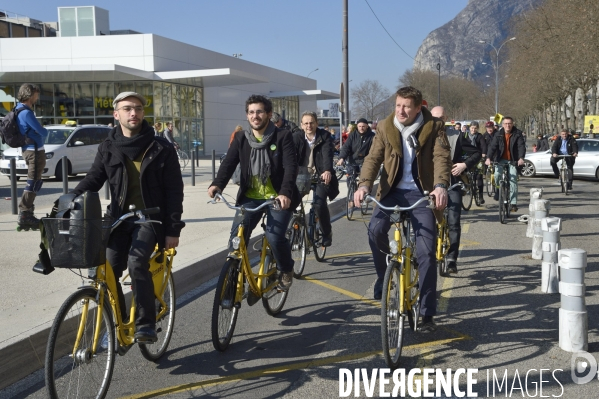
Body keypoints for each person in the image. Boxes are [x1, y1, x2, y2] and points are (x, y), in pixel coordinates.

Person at [72, 91, 185, 342]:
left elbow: (174, 191)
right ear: (116, 114)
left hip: (150, 219)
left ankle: (145, 324)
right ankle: (120, 323)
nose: (133, 113)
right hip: (118, 219)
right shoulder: (108, 147)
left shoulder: (161, 148)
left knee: (136, 262)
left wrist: (173, 229)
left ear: (143, 113)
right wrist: (71, 198)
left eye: (137, 108)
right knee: (108, 267)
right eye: (127, 108)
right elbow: (94, 178)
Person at [354, 86, 452, 332]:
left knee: (427, 253)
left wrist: (440, 186)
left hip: (422, 193)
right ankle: (383, 277)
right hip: (391, 191)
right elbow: (373, 158)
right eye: (398, 105)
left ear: (420, 107)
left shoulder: (434, 126)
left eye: (407, 106)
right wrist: (364, 185)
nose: (401, 111)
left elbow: (441, 158)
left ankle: (427, 313)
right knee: (375, 231)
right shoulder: (386, 126)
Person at [209, 95, 301, 291]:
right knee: (236, 240)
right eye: (251, 112)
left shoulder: (282, 137)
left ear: (268, 114)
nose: (255, 116)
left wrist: (285, 193)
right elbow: (229, 163)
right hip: (250, 198)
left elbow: (290, 167)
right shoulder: (241, 138)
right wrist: (217, 184)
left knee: (275, 237)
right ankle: (235, 278)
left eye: (259, 112)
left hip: (277, 197)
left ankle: (286, 269)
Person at [431, 106, 481, 275]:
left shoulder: (457, 135)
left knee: (453, 220)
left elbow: (476, 153)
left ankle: (452, 258)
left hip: (452, 182)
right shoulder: (422, 135)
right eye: (435, 117)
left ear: (446, 118)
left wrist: (464, 165)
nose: (438, 121)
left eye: (441, 117)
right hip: (430, 183)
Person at [292, 111, 339, 247]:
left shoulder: (324, 136)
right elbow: (291, 156)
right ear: (301, 125)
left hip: (320, 176)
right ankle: (292, 231)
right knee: (289, 202)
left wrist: (327, 171)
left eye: (311, 122)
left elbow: (327, 155)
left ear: (317, 123)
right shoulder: (296, 137)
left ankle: (326, 233)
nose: (309, 125)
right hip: (301, 176)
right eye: (306, 123)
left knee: (319, 204)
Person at [15, 83, 48, 230]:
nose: (38, 96)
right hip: (34, 151)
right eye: (36, 94)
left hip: (29, 150)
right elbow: (43, 132)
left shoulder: (18, 109)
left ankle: (27, 212)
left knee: (35, 181)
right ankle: (24, 214)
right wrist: (42, 130)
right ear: (30, 95)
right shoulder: (26, 112)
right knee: (33, 182)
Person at [485, 116, 526, 212]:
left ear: (512, 124)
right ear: (502, 125)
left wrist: (521, 158)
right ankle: (500, 190)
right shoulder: (498, 134)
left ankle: (513, 203)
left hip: (512, 160)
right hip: (500, 159)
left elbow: (521, 146)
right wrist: (488, 158)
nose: (508, 125)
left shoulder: (517, 133)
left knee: (513, 179)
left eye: (509, 123)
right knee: (497, 174)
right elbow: (492, 147)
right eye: (506, 123)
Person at [336, 117, 376, 207]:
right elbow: (346, 147)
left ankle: (366, 195)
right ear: (357, 126)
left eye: (363, 126)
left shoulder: (372, 136)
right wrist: (342, 158)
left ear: (366, 127)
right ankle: (351, 198)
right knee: (350, 178)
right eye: (359, 126)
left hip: (365, 161)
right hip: (352, 160)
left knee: (365, 179)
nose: (361, 128)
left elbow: (374, 150)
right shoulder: (353, 135)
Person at [464, 121, 486, 203]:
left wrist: (483, 153)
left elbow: (483, 145)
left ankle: (480, 196)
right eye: (472, 128)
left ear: (477, 129)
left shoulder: (479, 136)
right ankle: (469, 188)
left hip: (478, 157)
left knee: (479, 176)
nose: (473, 130)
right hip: (468, 157)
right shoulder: (465, 135)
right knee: (469, 175)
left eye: (475, 128)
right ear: (469, 128)